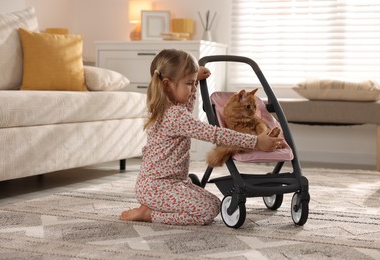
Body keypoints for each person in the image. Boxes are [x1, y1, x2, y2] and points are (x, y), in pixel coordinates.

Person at [120, 49, 284, 225]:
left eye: (192, 83)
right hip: (157, 187)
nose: (192, 90)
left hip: (170, 183)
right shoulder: (174, 115)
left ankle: (153, 207)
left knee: (214, 203)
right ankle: (149, 214)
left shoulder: (170, 107)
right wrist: (256, 142)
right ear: (168, 85)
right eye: (189, 83)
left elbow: (187, 104)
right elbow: (214, 134)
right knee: (208, 211)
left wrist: (195, 80)